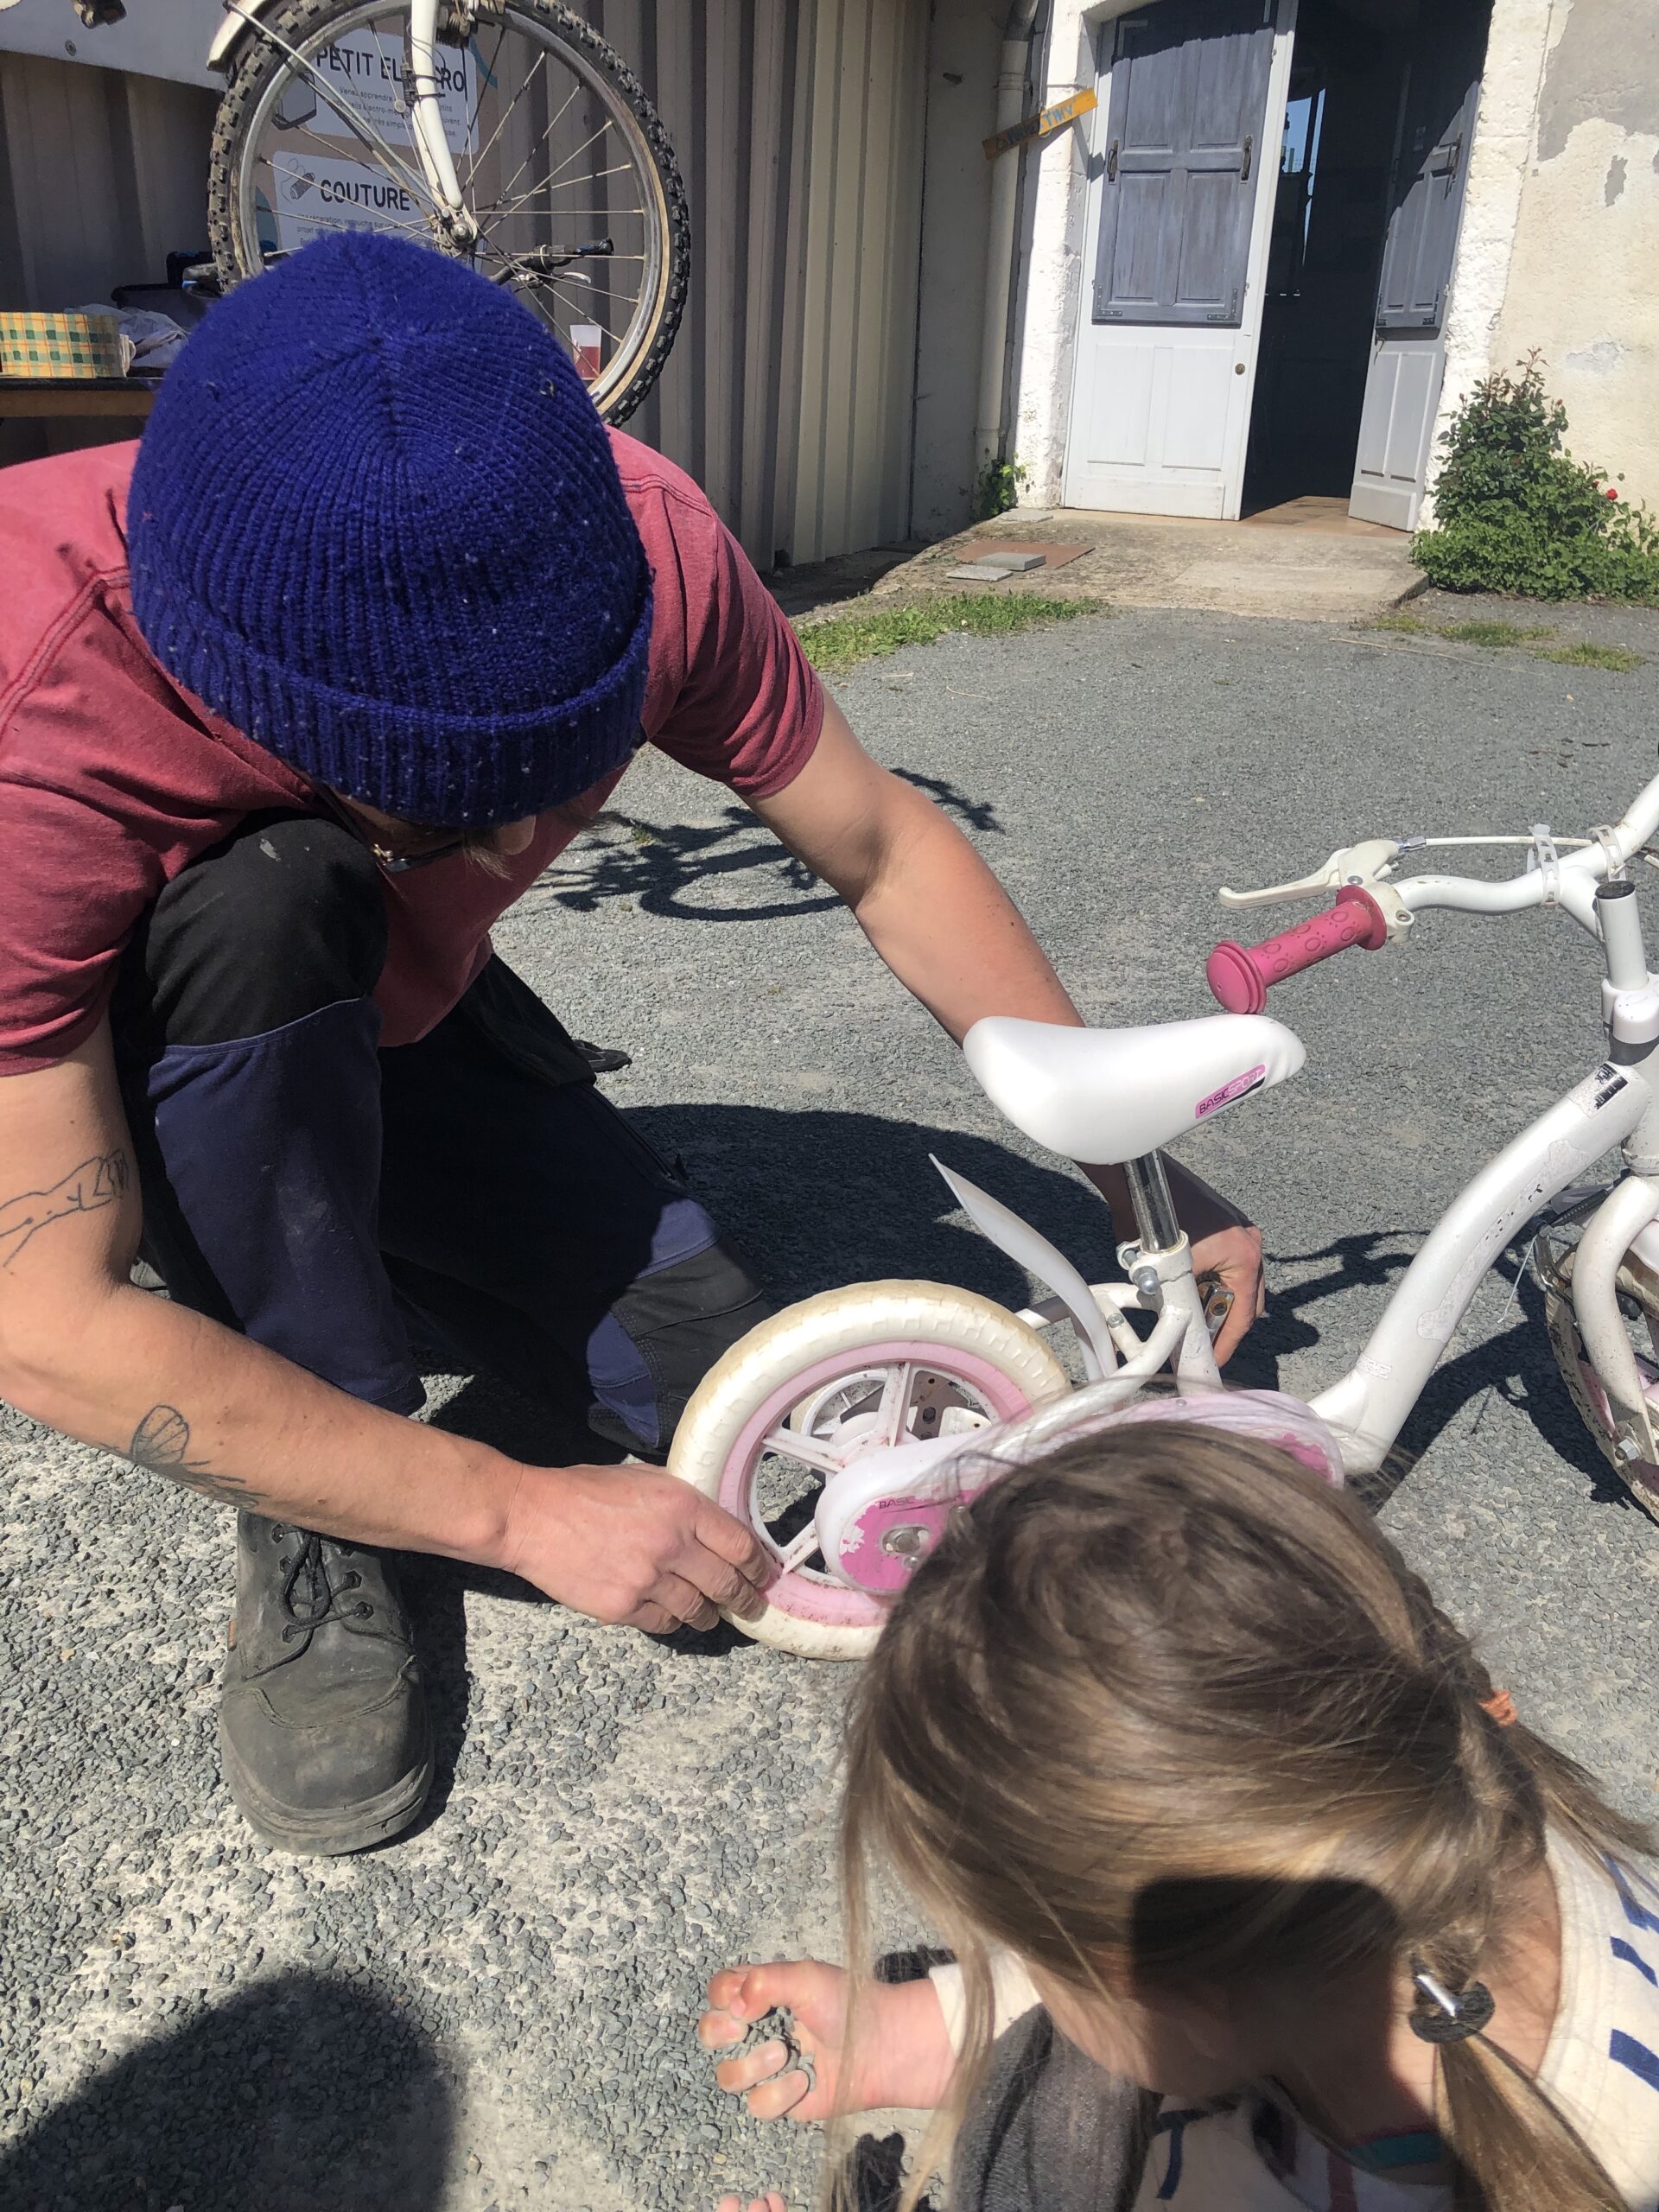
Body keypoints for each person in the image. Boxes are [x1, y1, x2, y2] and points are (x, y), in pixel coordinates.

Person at [0, 231, 1263, 1858]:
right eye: (442, 817)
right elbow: (43, 1316)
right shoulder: (43, 710)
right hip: (135, 1053)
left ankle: (374, 1224)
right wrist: (510, 1512)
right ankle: (323, 1505)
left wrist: (1138, 1173)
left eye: (554, 783)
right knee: (271, 896)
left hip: (395, 1011)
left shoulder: (636, 542)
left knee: (706, 1387)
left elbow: (883, 846)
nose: (513, 844)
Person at [700, 1419, 1659, 2211]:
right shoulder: (1491, 1815)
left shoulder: (1227, 2189)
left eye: (1039, 1960)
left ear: (1169, 1991)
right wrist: (919, 2029)